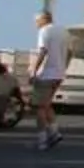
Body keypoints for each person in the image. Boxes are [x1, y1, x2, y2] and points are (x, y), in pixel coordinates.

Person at [31, 9, 66, 150]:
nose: (36, 25)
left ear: (43, 19)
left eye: (37, 21)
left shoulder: (44, 31)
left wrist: (34, 70)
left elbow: (43, 51)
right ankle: (54, 132)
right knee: (47, 104)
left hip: (46, 74)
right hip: (58, 74)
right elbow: (70, 52)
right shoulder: (63, 31)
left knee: (39, 106)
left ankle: (42, 139)